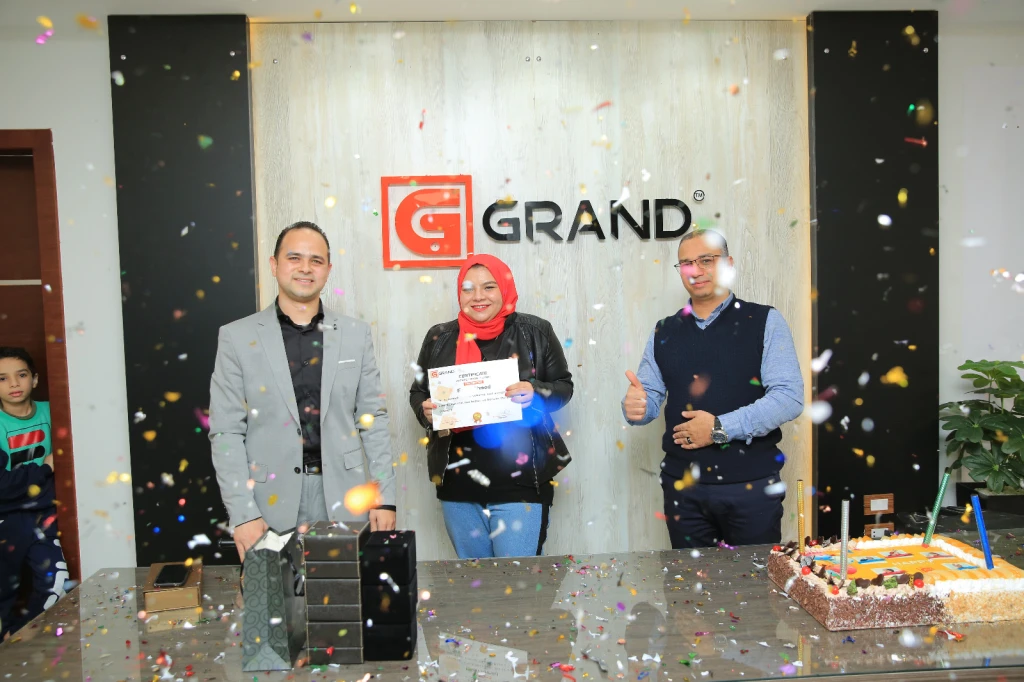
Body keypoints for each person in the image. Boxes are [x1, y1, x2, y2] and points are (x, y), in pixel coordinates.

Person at [209, 221, 397, 563]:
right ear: (274, 264)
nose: (305, 268)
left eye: (316, 260)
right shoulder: (237, 337)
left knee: (341, 594)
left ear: (328, 269)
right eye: (294, 258)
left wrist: (385, 497)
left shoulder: (355, 334)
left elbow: (374, 419)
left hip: (345, 495)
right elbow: (225, 431)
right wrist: (242, 513)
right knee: (273, 597)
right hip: (267, 500)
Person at [622, 229, 803, 549]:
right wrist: (637, 407)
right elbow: (648, 398)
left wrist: (719, 429)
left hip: (751, 489)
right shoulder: (664, 330)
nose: (696, 270)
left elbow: (789, 397)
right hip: (683, 490)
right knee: (687, 583)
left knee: (754, 579)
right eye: (687, 263)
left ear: (728, 264)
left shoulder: (764, 320)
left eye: (706, 260)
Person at [409, 254, 573, 558]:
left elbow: (563, 387)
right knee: (473, 582)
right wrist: (425, 410)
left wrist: (535, 391)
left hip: (522, 480)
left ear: (505, 289)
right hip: (458, 484)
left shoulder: (535, 331)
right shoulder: (439, 337)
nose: (478, 297)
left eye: (489, 287)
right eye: (468, 288)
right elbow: (418, 392)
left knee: (517, 580)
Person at [0, 347, 68, 639]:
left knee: (57, 583)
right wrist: (45, 467)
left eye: (22, 375)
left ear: (35, 379)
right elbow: (2, 485)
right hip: (6, 518)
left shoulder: (54, 411)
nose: (14, 384)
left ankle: (29, 640)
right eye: (2, 378)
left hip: (44, 514)